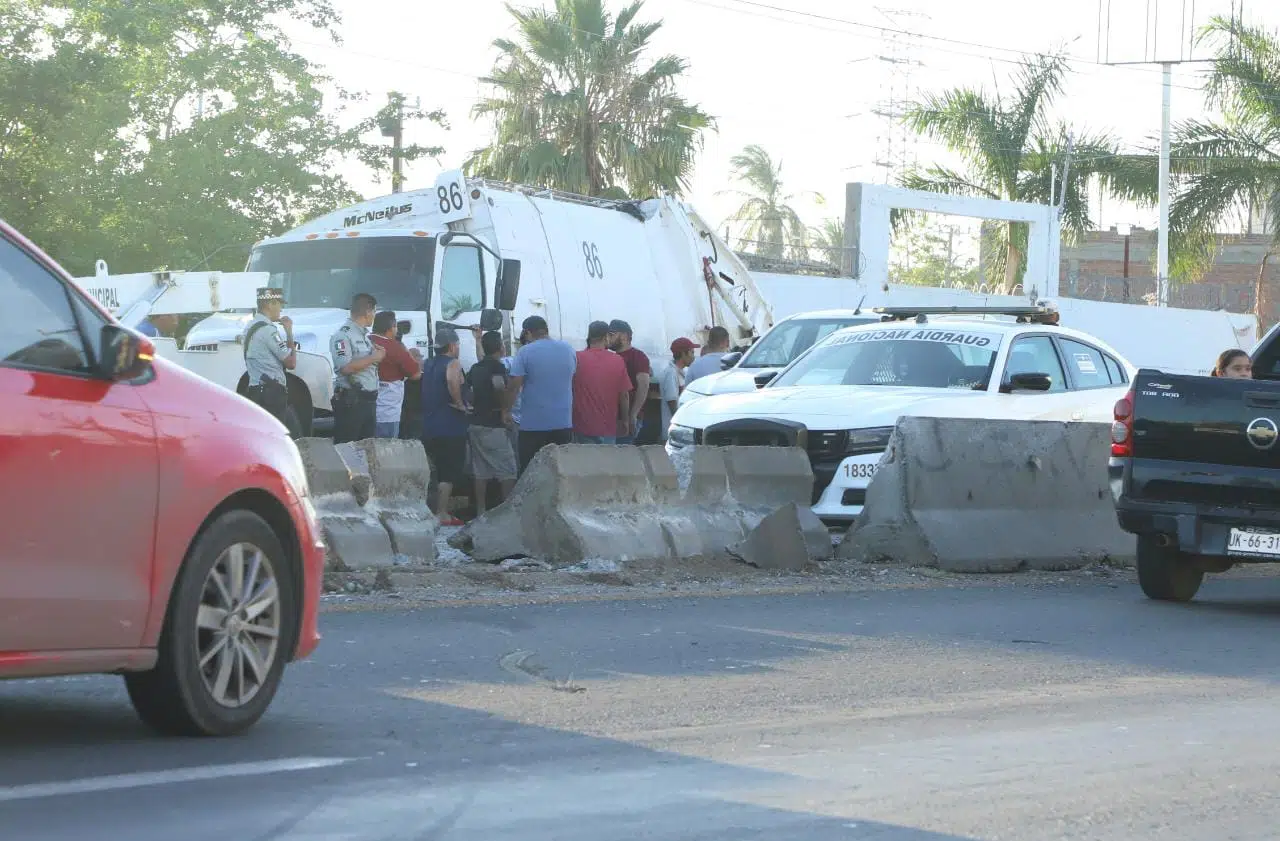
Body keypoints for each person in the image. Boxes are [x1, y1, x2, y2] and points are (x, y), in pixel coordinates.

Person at [509, 315, 577, 473]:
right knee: (560, 472)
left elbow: (514, 386)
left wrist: (506, 410)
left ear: (527, 333)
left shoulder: (525, 352)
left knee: (530, 472)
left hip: (533, 425)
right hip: (563, 423)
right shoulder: (568, 349)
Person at [420, 327, 470, 526]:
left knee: (436, 470)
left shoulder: (428, 363)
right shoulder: (453, 363)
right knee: (448, 471)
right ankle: (442, 513)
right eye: (457, 345)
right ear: (452, 346)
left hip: (429, 425)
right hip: (450, 425)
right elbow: (451, 380)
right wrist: (459, 403)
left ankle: (434, 510)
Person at [468, 330, 519, 514]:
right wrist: (504, 409)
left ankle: (481, 510)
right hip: (493, 424)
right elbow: (499, 386)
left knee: (480, 470)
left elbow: (468, 391)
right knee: (508, 469)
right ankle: (508, 511)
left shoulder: (476, 367)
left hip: (475, 423)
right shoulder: (498, 368)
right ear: (501, 348)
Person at [330, 292, 384, 444]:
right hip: (352, 401)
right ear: (368, 312)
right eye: (374, 311)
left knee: (367, 450)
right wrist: (374, 357)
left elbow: (365, 364)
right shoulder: (342, 336)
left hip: (368, 400)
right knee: (348, 449)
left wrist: (377, 356)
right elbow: (345, 367)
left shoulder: (364, 337)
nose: (374, 315)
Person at [242, 287, 296, 429]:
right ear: (270, 304)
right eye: (279, 303)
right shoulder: (268, 330)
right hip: (271, 395)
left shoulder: (250, 327)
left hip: (255, 389)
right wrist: (289, 332)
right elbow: (291, 362)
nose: (281, 308)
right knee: (277, 435)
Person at [573, 320, 632, 444]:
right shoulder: (617, 360)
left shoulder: (577, 358)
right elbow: (624, 395)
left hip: (581, 427)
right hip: (608, 428)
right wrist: (625, 421)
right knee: (606, 462)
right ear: (606, 337)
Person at [370, 310, 422, 439]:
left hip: (366, 410)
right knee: (387, 451)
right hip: (387, 412)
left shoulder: (366, 341)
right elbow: (416, 374)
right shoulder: (395, 347)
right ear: (391, 328)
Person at [607, 319, 650, 445]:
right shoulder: (612, 357)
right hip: (613, 418)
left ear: (624, 336)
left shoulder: (638, 357)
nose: (608, 338)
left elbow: (643, 386)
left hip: (628, 418)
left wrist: (633, 415)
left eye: (612, 334)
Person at [656, 337, 698, 441]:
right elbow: (672, 402)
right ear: (683, 354)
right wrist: (681, 425)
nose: (694, 356)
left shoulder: (679, 372)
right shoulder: (671, 373)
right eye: (692, 352)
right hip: (674, 433)